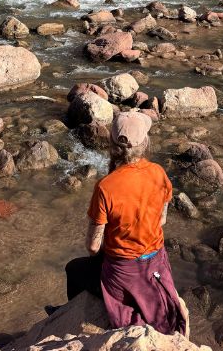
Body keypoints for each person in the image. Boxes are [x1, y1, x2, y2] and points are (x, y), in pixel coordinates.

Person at [65, 111, 188, 337]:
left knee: (73, 269)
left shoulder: (105, 186)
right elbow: (161, 220)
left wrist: (107, 251)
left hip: (122, 272)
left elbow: (93, 247)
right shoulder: (159, 173)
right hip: (156, 263)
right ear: (145, 143)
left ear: (112, 144)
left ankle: (71, 319)